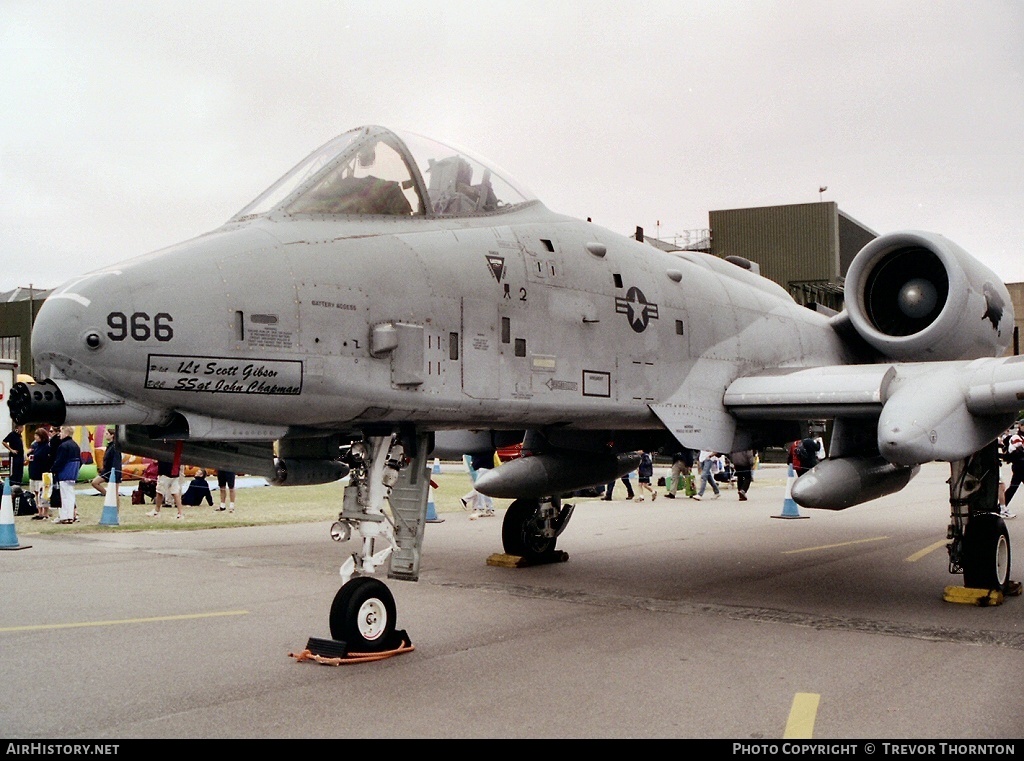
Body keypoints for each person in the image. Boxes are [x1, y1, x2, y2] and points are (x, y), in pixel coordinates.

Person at [50, 425, 82, 524]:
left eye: (61, 431)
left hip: (64, 473)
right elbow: (80, 460)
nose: (60, 434)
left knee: (64, 495)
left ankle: (65, 517)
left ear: (66, 433)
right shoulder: (75, 445)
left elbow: (60, 461)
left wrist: (53, 469)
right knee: (70, 495)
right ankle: (71, 516)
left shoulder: (63, 446)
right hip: (73, 473)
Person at [90, 427, 122, 498]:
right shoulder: (109, 446)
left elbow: (116, 461)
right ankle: (108, 495)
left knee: (115, 493)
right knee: (94, 482)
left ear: (112, 435)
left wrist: (115, 474)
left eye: (107, 434)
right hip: (106, 471)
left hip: (112, 472)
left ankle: (112, 500)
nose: (105, 435)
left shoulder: (115, 447)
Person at [27, 428, 52, 520]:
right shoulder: (34, 445)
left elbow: (47, 460)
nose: (35, 437)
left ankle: (45, 512)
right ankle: (39, 511)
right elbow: (30, 456)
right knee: (36, 493)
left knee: (44, 494)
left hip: (43, 474)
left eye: (37, 435)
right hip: (33, 472)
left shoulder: (47, 447)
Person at [1000, 423, 1023, 518]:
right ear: (1020, 426)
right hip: (1019, 466)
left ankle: (1001, 507)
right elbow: (1015, 452)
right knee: (1013, 487)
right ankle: (1001, 507)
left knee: (1013, 487)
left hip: (1021, 465)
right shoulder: (1016, 437)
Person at [461, 453, 494, 519]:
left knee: (479, 487)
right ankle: (489, 508)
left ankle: (480, 508)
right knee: (486, 487)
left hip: (481, 466)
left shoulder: (476, 449)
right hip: (487, 465)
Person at [3, 424, 25, 489]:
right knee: (14, 472)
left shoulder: (20, 435)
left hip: (20, 456)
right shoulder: (12, 434)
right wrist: (11, 450)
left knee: (20, 472)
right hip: (14, 457)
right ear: (17, 428)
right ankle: (12, 486)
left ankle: (19, 486)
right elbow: (4, 442)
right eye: (21, 427)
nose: (22, 428)